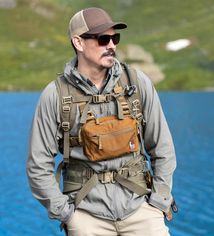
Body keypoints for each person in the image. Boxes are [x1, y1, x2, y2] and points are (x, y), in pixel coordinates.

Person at [27, 7, 177, 236]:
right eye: (102, 39)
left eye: (114, 38)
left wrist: (159, 200)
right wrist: (67, 214)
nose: (112, 45)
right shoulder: (55, 96)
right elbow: (38, 166)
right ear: (78, 42)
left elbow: (163, 148)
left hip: (142, 209)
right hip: (86, 216)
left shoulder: (137, 83)